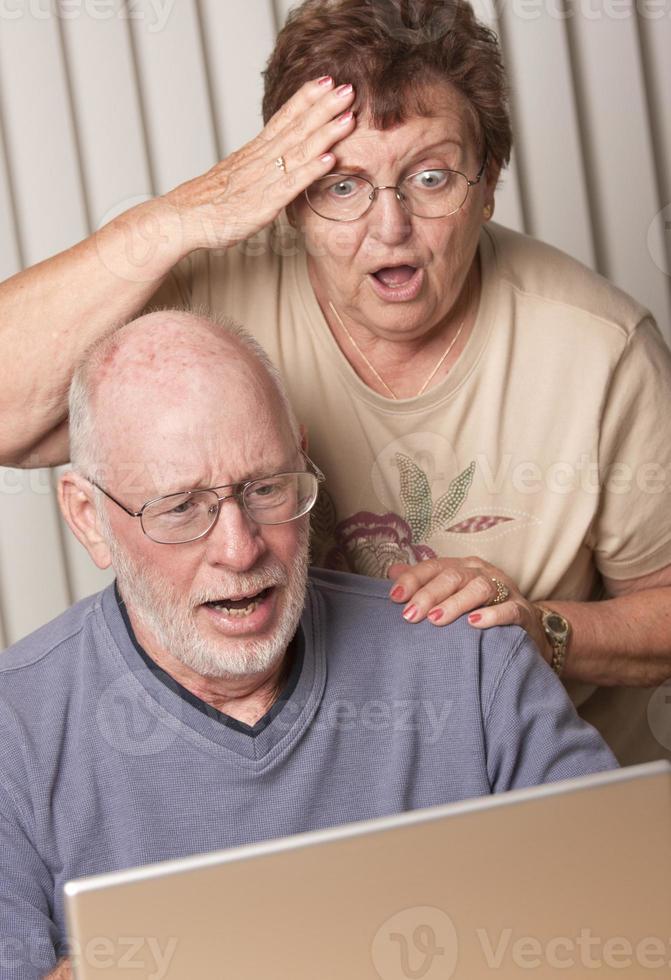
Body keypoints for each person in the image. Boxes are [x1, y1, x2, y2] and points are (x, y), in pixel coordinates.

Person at [0, 0, 669, 764]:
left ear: (487, 185)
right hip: (301, 792)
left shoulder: (601, 352)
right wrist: (182, 217)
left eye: (429, 176)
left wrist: (541, 631)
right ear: (290, 203)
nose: (390, 227)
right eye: (342, 185)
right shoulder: (211, 303)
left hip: (528, 790)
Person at [0, 310, 615, 980]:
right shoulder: (15, 730)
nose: (239, 550)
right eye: (180, 508)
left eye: (265, 488)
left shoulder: (469, 658)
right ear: (89, 519)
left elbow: (623, 921)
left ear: (300, 458)